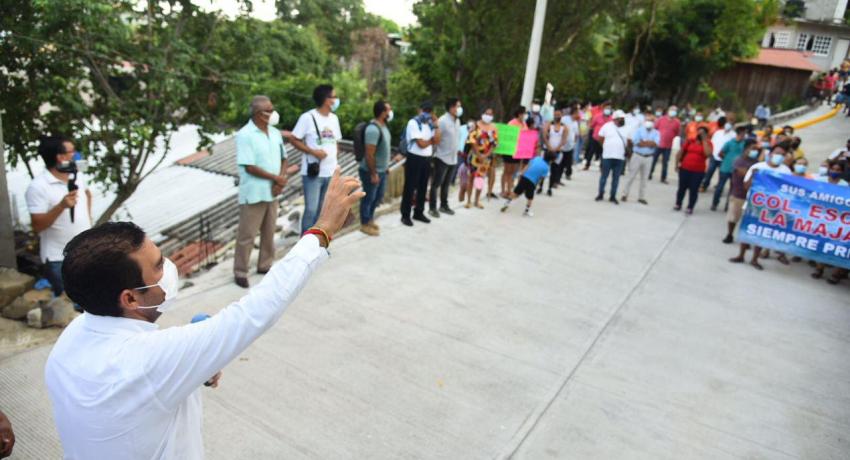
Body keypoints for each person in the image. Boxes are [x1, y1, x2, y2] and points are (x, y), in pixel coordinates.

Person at [44, 167, 363, 459]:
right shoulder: (151, 360)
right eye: (157, 267)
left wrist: (193, 367)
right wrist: (322, 230)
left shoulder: (72, 338)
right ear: (129, 298)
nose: (169, 267)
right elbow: (254, 312)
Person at [26, 135, 93, 298]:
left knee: (92, 299)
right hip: (59, 258)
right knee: (72, 303)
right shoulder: (38, 187)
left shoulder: (76, 175)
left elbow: (87, 194)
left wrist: (89, 224)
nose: (76, 154)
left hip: (86, 251)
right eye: (72, 151)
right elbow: (37, 225)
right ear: (60, 157)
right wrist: (61, 206)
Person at [231, 96, 287, 288]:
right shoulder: (245, 135)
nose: (273, 114)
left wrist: (280, 180)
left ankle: (265, 264)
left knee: (269, 231)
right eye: (268, 111)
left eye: (272, 109)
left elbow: (283, 158)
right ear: (257, 114)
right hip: (254, 192)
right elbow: (249, 166)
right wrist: (276, 179)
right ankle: (240, 271)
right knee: (247, 234)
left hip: (273, 191)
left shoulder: (275, 133)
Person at [290, 85, 342, 236]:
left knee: (323, 210)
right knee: (311, 209)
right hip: (314, 172)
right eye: (334, 96)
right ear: (326, 100)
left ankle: (316, 241)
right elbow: (294, 139)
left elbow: (336, 141)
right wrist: (313, 152)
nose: (336, 99)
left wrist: (335, 161)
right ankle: (304, 243)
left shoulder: (334, 119)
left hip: (330, 171)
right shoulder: (308, 117)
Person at [728, 146, 792, 270]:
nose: (780, 156)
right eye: (777, 153)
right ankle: (741, 255)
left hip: (771, 208)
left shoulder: (786, 171)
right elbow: (746, 186)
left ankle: (754, 259)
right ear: (771, 154)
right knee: (747, 230)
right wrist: (753, 175)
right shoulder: (758, 167)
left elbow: (787, 190)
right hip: (753, 205)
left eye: (783, 154)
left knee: (761, 234)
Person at [358, 100, 395, 237]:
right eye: (388, 110)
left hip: (381, 170)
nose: (391, 112)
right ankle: (364, 223)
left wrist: (385, 168)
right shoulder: (373, 129)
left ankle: (370, 220)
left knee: (377, 197)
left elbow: (383, 150)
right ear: (382, 112)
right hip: (370, 171)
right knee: (369, 197)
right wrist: (373, 174)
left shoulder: (384, 126)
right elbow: (369, 154)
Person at [400, 101, 441, 226]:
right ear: (419, 110)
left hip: (427, 158)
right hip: (414, 158)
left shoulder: (430, 125)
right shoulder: (413, 123)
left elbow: (437, 139)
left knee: (423, 186)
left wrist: (437, 124)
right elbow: (420, 144)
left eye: (429, 111)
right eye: (425, 110)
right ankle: (405, 215)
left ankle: (419, 212)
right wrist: (431, 141)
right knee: (410, 187)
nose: (426, 114)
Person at [429, 98, 462, 218]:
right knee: (436, 184)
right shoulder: (442, 121)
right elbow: (436, 138)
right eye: (458, 106)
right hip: (441, 157)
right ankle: (432, 208)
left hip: (453, 158)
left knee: (446, 184)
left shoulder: (457, 121)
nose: (459, 109)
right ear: (451, 107)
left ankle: (444, 205)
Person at [722, 139, 759, 244]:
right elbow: (744, 174)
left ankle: (745, 240)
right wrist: (753, 173)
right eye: (753, 149)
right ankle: (729, 234)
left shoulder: (756, 163)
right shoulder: (739, 160)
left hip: (750, 195)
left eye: (756, 149)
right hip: (738, 193)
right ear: (746, 149)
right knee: (733, 217)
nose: (755, 151)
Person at [621, 113, 659, 204]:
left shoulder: (656, 132)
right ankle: (625, 194)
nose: (649, 122)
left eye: (651, 121)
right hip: (637, 155)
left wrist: (645, 142)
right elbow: (637, 142)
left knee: (644, 178)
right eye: (648, 120)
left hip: (648, 157)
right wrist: (649, 143)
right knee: (631, 176)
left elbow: (655, 144)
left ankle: (641, 197)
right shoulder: (639, 130)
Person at [674, 126, 712, 214]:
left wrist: (704, 140)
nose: (700, 134)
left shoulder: (708, 143)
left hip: (698, 171)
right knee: (681, 188)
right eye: (699, 132)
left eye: (702, 133)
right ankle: (678, 203)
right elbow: (681, 152)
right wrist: (676, 164)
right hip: (685, 168)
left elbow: (708, 153)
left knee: (694, 189)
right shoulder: (691, 141)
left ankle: (690, 207)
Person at [465, 108, 498, 209]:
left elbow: (494, 143)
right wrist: (479, 154)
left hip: (486, 158)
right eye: (486, 113)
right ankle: (469, 200)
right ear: (482, 114)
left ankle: (476, 201)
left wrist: (487, 155)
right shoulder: (475, 125)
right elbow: (471, 140)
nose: (488, 116)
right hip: (475, 155)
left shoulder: (493, 128)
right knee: (471, 178)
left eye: (490, 114)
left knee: (480, 178)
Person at [500, 153, 551, 217]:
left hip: (524, 177)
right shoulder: (547, 168)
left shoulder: (537, 158)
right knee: (530, 197)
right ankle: (526, 211)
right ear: (551, 160)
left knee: (515, 192)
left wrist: (521, 173)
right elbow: (541, 178)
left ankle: (507, 203)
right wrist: (537, 185)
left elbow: (527, 166)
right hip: (532, 182)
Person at [595, 110, 629, 204]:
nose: (623, 120)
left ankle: (613, 196)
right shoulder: (607, 126)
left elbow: (629, 141)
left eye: (623, 118)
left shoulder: (626, 128)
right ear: (615, 119)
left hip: (620, 157)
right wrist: (606, 147)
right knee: (604, 177)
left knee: (616, 178)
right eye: (621, 119)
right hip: (607, 156)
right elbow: (600, 138)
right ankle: (600, 194)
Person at [710, 126, 747, 211]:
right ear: (739, 134)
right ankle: (715, 203)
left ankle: (728, 206)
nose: (744, 136)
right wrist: (727, 159)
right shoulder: (729, 143)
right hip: (725, 168)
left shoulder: (744, 145)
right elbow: (721, 153)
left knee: (732, 189)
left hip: (736, 170)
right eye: (743, 134)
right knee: (720, 187)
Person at [701, 117, 735, 192]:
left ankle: (719, 188)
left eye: (730, 123)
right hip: (714, 156)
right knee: (709, 172)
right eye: (727, 123)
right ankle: (704, 186)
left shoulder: (733, 135)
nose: (728, 125)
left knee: (721, 174)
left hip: (724, 158)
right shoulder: (718, 132)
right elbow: (712, 143)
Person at [649, 105, 681, 183]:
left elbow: (677, 133)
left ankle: (663, 178)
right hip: (658, 144)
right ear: (668, 110)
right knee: (653, 160)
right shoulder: (661, 119)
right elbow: (654, 129)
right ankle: (649, 174)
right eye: (671, 110)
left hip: (668, 145)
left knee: (665, 162)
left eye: (674, 110)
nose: (673, 111)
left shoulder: (677, 122)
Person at [542, 108, 568, 196]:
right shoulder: (549, 124)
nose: (557, 116)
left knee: (554, 170)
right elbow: (544, 136)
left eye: (559, 115)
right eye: (556, 114)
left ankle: (549, 188)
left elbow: (564, 140)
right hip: (547, 149)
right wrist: (549, 147)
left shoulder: (564, 127)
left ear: (561, 115)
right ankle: (540, 186)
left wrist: (557, 148)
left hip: (558, 151)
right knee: (544, 168)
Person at [502, 106, 527, 197]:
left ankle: (509, 189)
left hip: (518, 151)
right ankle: (504, 190)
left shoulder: (524, 124)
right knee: (507, 171)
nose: (525, 115)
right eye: (524, 113)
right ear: (519, 114)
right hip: (509, 149)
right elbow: (507, 136)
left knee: (513, 171)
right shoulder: (512, 123)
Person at [584, 102, 612, 170]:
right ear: (603, 108)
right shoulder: (597, 116)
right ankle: (587, 165)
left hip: (605, 138)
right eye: (606, 108)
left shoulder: (611, 119)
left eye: (609, 108)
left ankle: (602, 166)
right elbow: (592, 125)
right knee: (591, 151)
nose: (608, 109)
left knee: (603, 152)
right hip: (595, 137)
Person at [560, 107, 580, 181]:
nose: (578, 115)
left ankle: (568, 174)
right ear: (574, 113)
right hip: (562, 145)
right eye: (577, 113)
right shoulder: (564, 119)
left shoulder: (575, 122)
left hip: (570, 145)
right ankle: (558, 178)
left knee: (569, 161)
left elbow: (576, 134)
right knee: (561, 162)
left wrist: (574, 142)